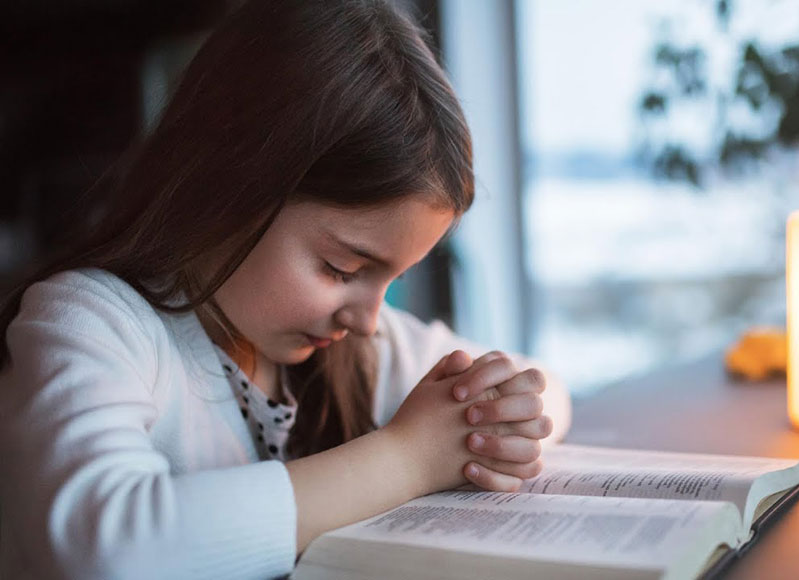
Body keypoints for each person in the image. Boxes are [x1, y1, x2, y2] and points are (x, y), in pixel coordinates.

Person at [0, 0, 571, 578]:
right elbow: (105, 550)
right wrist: (407, 458)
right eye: (342, 269)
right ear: (230, 184)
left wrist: (504, 414)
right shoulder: (89, 323)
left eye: (392, 279)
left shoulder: (358, 352)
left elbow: (550, 391)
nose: (369, 320)